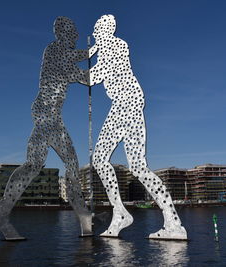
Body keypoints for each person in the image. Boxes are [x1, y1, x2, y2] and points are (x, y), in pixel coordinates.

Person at [0, 17, 92, 240]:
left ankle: (3, 211)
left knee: (53, 164)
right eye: (73, 33)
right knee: (52, 164)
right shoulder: (54, 50)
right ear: (62, 34)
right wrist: (95, 49)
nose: (76, 37)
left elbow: (85, 77)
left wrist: (104, 68)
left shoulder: (63, 63)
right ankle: (2, 212)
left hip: (51, 116)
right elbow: (75, 58)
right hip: (46, 113)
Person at [88, 14, 187, 240]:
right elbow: (94, 56)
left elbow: (95, 76)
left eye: (96, 30)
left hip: (125, 104)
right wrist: (88, 53)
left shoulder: (113, 46)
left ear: (104, 30)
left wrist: (69, 73)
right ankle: (172, 221)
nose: (94, 35)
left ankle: (120, 212)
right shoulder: (112, 45)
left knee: (101, 159)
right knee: (138, 167)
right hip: (130, 103)